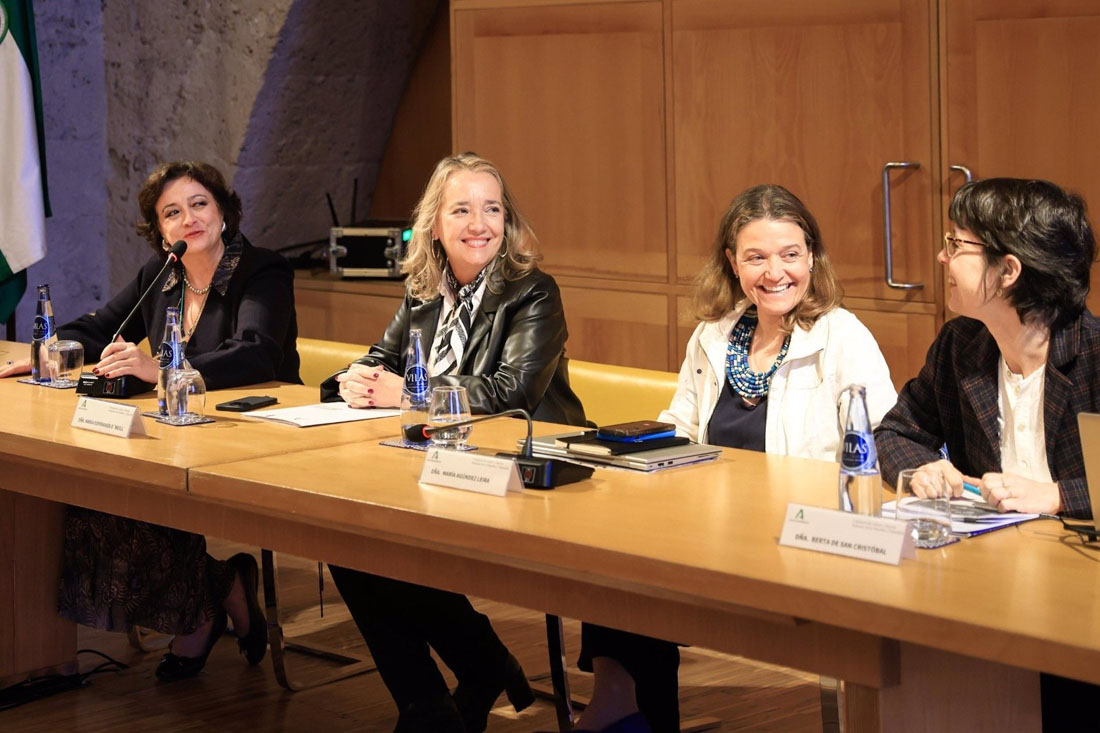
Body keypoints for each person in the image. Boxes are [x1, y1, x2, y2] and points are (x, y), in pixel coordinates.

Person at [574, 184, 897, 732]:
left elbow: (883, 447)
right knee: (618, 550)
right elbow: (679, 427)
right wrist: (627, 454)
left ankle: (626, 711)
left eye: (790, 255)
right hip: (713, 529)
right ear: (732, 262)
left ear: (812, 256)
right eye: (757, 257)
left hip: (796, 533)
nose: (776, 273)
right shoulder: (714, 335)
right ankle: (623, 699)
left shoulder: (844, 338)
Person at [0, 160, 300, 681]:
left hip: (248, 435)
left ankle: (202, 610)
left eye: (200, 204)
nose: (189, 219)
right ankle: (216, 592)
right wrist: (49, 349)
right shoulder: (162, 277)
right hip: (171, 434)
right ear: (160, 233)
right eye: (172, 212)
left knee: (131, 499)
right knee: (95, 497)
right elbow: (98, 328)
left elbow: (257, 354)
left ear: (224, 212)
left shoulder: (262, 270)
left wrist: (161, 368)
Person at [320, 152, 587, 733]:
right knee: (349, 541)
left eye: (492, 209)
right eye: (461, 209)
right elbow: (382, 359)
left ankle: (469, 673)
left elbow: (510, 391)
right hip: (436, 463)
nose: (479, 224)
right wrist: (356, 378)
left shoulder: (533, 292)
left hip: (522, 466)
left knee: (382, 548)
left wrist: (410, 395)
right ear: (434, 224)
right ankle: (437, 695)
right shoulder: (423, 292)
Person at [873, 177, 1100, 731]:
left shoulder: (1095, 354)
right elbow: (896, 431)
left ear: (1010, 270)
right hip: (989, 584)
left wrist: (1055, 497)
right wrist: (923, 467)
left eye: (957, 245)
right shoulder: (962, 347)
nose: (941, 256)